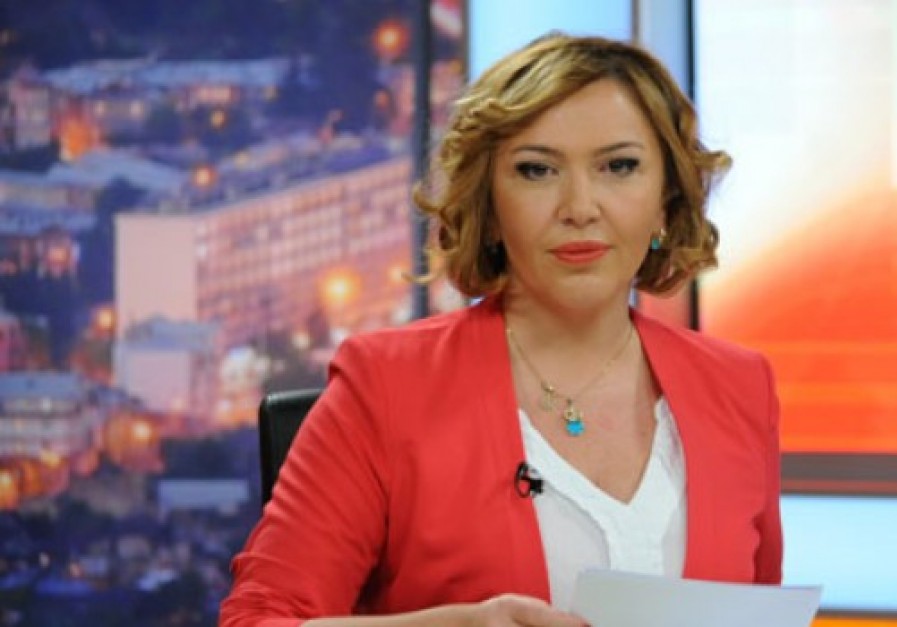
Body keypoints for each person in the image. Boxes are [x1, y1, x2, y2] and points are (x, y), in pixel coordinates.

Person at [220, 33, 782, 627]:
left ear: (666, 201)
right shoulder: (385, 385)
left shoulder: (740, 387)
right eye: (537, 170)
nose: (580, 206)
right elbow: (258, 619)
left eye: (619, 167)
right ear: (489, 209)